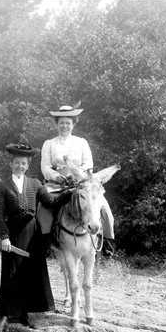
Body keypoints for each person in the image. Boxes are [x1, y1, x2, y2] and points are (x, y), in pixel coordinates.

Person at [0, 143, 73, 332]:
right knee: (10, 274)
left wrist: (70, 193)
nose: (20, 166)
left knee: (28, 274)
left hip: (32, 234)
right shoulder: (2, 186)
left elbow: (51, 202)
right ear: (11, 164)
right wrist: (3, 237)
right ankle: (6, 316)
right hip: (12, 235)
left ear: (28, 165)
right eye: (17, 163)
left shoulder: (35, 183)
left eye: (23, 163)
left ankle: (24, 315)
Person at [39, 103, 115, 256]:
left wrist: (77, 174)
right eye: (61, 123)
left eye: (68, 123)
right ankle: (44, 241)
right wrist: (56, 176)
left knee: (105, 208)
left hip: (81, 183)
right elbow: (45, 167)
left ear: (73, 124)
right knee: (42, 208)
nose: (64, 126)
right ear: (57, 124)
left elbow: (89, 164)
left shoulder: (81, 142)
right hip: (56, 184)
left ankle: (107, 241)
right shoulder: (49, 144)